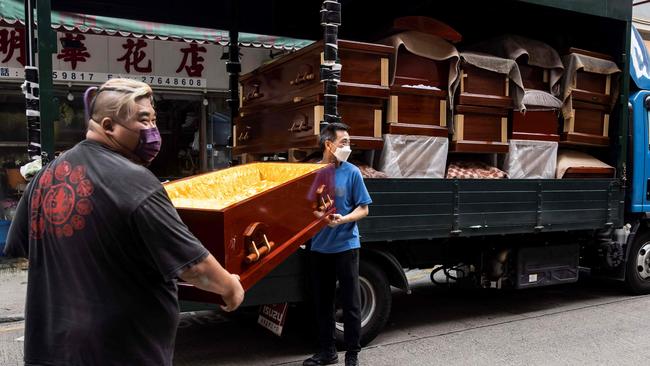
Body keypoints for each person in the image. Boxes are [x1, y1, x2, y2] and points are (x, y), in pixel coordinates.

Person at [4, 78, 244, 366]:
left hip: (52, 351)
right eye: (144, 121)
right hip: (120, 352)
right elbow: (194, 267)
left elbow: (26, 247)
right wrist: (230, 288)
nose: (153, 131)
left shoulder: (44, 177)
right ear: (108, 126)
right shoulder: (134, 180)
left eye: (154, 120)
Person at [303, 123, 372, 366]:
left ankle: (352, 354)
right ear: (328, 145)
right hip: (320, 247)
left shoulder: (352, 172)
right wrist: (321, 217)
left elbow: (363, 208)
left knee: (351, 303)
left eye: (349, 143)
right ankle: (327, 351)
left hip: (346, 246)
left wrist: (344, 219)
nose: (348, 147)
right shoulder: (313, 173)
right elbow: (307, 208)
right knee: (323, 303)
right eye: (344, 142)